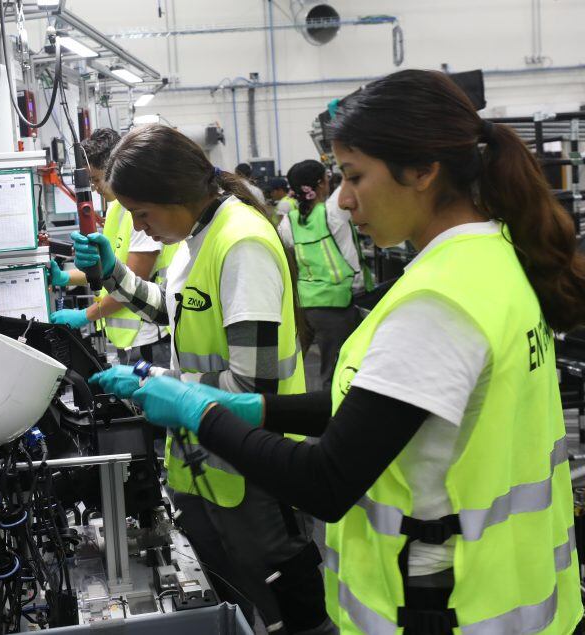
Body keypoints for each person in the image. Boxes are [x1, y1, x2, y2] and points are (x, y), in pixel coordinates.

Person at [130, 70, 585, 633]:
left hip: (443, 608)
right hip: (515, 595)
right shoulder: (494, 259)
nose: (343, 201)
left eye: (355, 176)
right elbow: (383, 412)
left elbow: (326, 480)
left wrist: (200, 413)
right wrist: (261, 409)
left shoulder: (438, 303)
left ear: (422, 171)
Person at [81, 125, 331, 633]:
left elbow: (253, 387)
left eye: (142, 213)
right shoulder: (198, 237)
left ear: (173, 192)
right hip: (208, 465)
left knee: (288, 619)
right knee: (239, 614)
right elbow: (177, 312)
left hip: (253, 476)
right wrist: (115, 276)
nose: (138, 226)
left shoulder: (241, 245)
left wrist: (161, 381)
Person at [49, 128, 177, 365]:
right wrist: (65, 278)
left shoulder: (141, 215)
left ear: (115, 169)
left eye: (96, 179)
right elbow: (109, 270)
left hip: (150, 336)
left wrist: (84, 315)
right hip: (129, 340)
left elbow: (131, 282)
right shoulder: (116, 210)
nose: (94, 187)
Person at [278, 159, 371, 390]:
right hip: (335, 304)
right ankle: (330, 412)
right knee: (336, 373)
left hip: (304, 305)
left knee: (292, 369)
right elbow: (352, 178)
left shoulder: (288, 222)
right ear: (321, 184)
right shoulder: (332, 213)